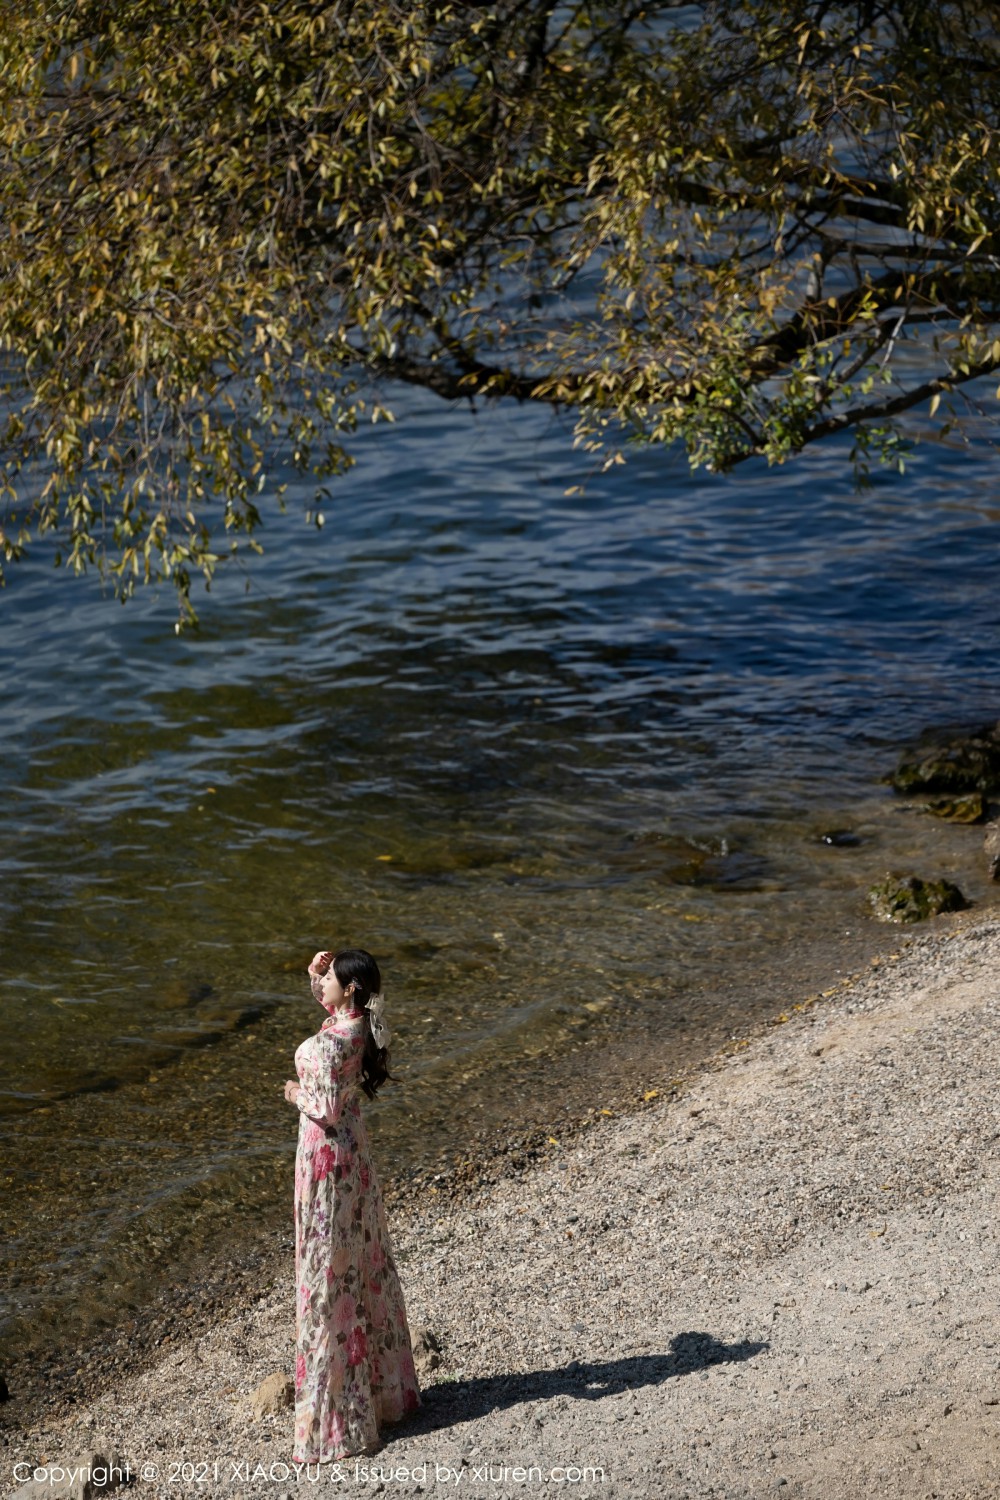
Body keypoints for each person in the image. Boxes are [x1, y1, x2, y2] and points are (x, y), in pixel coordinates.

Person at [283, 947, 420, 1463]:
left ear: (352, 989)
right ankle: (383, 1394)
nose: (323, 985)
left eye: (331, 979)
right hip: (353, 1157)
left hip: (326, 1159)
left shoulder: (332, 1043)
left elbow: (323, 1107)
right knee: (360, 1258)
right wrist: (316, 974)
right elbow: (331, 1010)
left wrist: (293, 1093)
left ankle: (337, 1421)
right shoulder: (359, 1027)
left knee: (328, 1271)